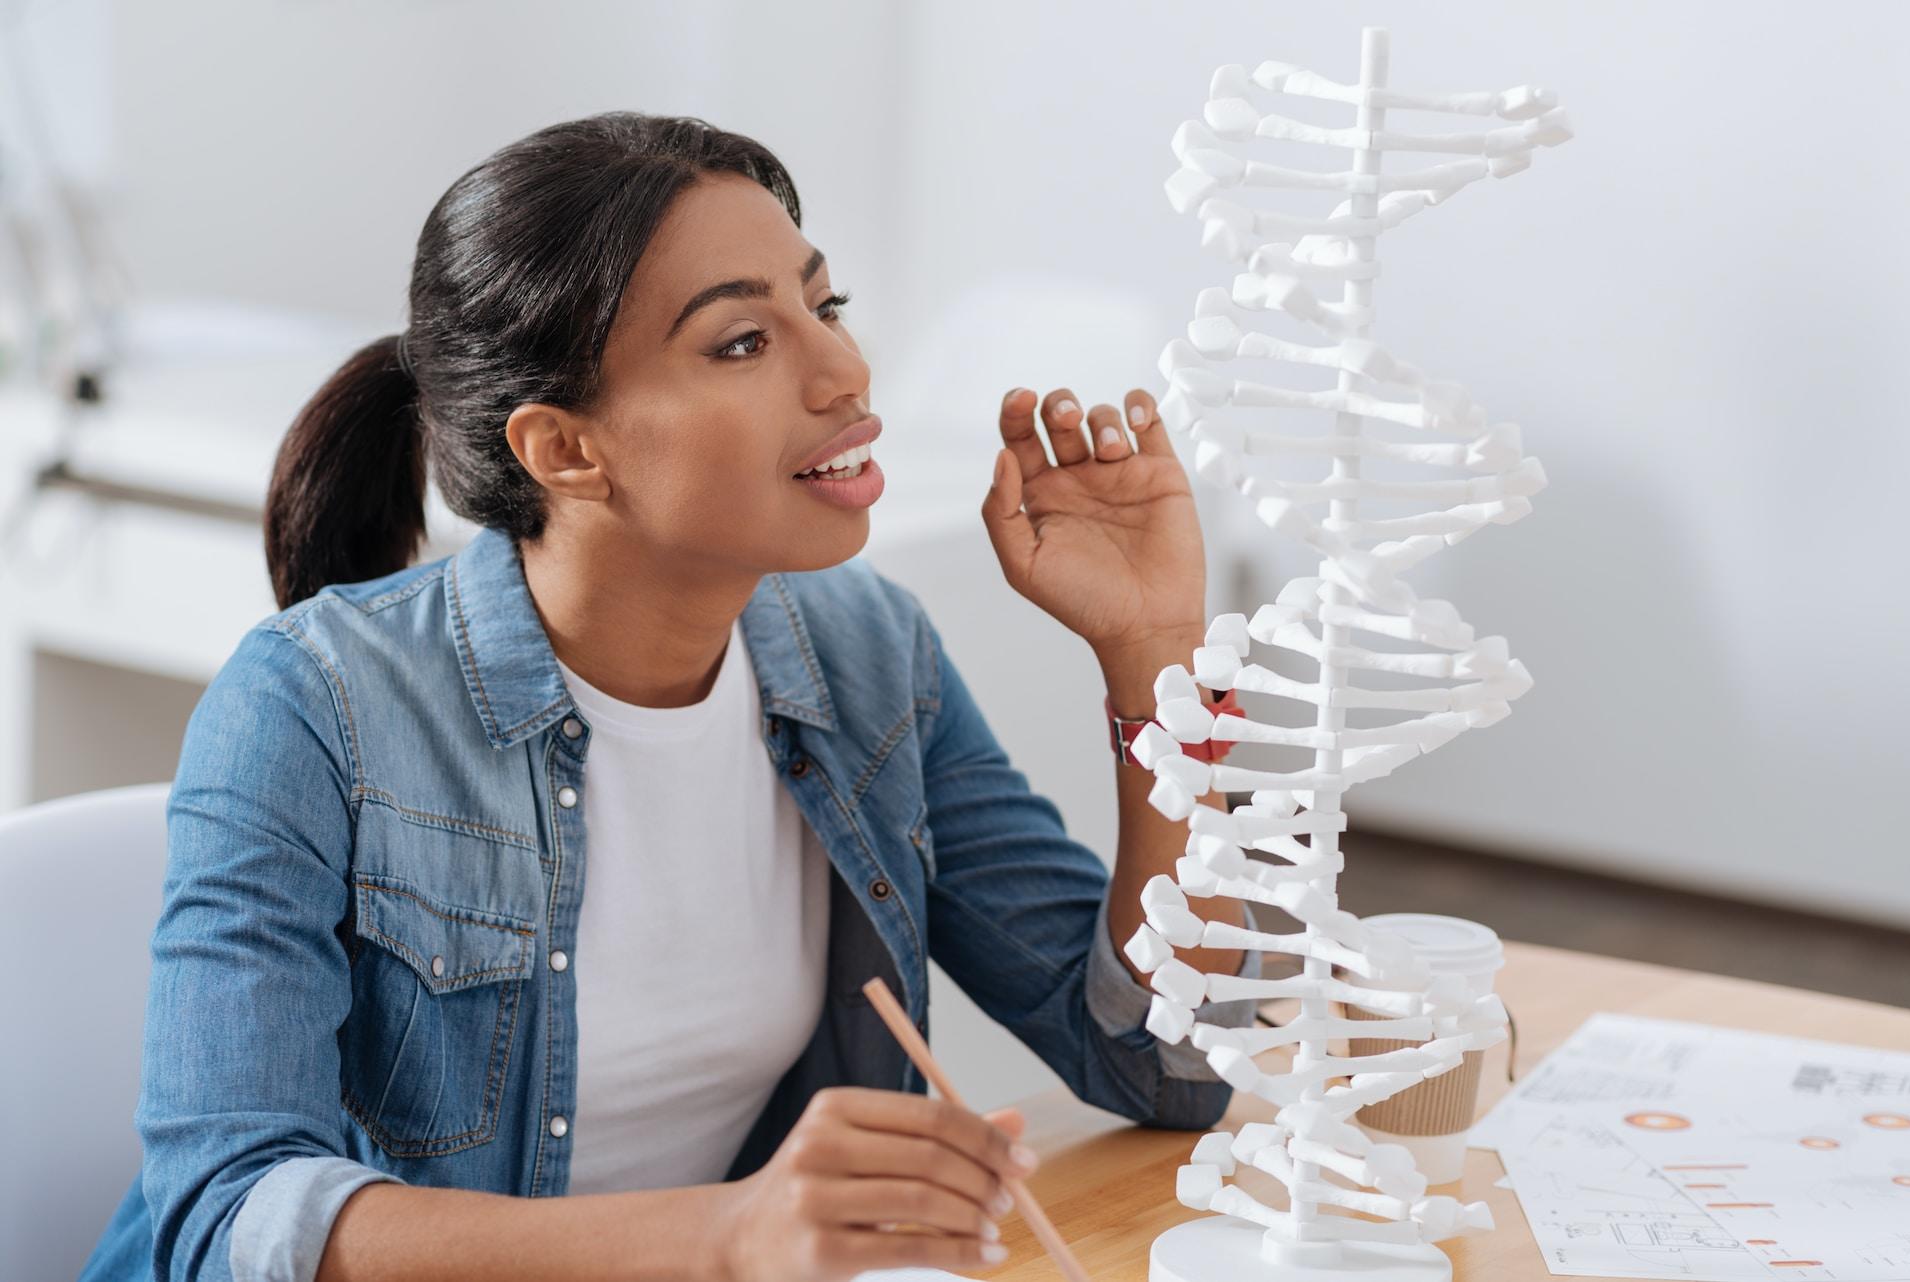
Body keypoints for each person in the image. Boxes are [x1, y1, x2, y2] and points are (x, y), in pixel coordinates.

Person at [79, 112, 1259, 1282]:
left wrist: (1156, 657)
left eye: (825, 307)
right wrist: (730, 1233)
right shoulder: (308, 705)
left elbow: (1163, 1065)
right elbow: (227, 1219)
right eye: (743, 342)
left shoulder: (866, 655)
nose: (846, 370)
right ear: (563, 449)